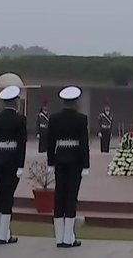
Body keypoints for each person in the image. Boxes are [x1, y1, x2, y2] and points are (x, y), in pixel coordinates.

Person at [47, 85, 89, 249]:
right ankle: (68, 238)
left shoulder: (54, 118)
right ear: (76, 102)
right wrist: (86, 165)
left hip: (59, 158)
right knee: (71, 197)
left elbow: (50, 143)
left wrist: (50, 162)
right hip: (75, 160)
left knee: (59, 196)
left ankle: (60, 237)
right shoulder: (81, 119)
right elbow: (83, 144)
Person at [0, 85, 27, 245]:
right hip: (12, 160)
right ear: (16, 102)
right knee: (7, 196)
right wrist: (21, 165)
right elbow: (21, 144)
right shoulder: (20, 119)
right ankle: (4, 235)